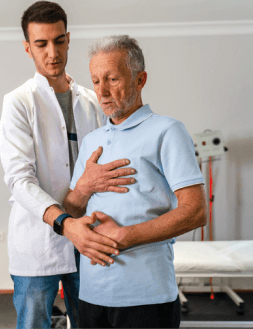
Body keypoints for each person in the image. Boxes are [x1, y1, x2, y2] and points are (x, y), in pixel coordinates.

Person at [0, 3, 136, 328]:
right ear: (27, 47)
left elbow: (109, 165)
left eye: (59, 41)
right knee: (34, 323)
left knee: (92, 321)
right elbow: (20, 180)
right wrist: (63, 222)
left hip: (89, 234)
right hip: (38, 239)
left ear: (69, 39)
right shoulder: (18, 102)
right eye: (41, 44)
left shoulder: (92, 101)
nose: (52, 53)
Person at [63, 35, 208, 329]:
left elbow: (195, 211)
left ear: (140, 79)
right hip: (92, 293)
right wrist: (84, 188)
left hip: (146, 295)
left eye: (112, 79)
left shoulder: (167, 131)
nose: (102, 91)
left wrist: (124, 236)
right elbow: (72, 209)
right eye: (95, 81)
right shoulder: (92, 141)